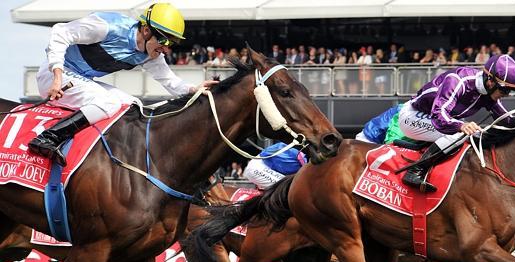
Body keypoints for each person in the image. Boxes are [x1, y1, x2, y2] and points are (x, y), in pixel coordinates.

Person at [28, 3, 219, 166]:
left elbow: (170, 81)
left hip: (79, 79)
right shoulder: (108, 26)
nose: (167, 49)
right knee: (108, 102)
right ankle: (48, 138)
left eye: (172, 43)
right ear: (146, 30)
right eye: (164, 40)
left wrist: (194, 89)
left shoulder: (151, 53)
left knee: (133, 105)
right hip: (54, 76)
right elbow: (60, 32)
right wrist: (57, 76)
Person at [397, 54, 515, 192]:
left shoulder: (488, 93)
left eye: (511, 91)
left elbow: (507, 120)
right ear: (490, 80)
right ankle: (415, 171)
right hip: (412, 116)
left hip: (436, 119)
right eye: (505, 90)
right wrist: (461, 126)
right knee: (461, 134)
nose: (506, 95)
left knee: (475, 134)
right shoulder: (458, 81)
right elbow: (438, 115)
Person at [243, 142, 308, 190]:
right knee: (285, 188)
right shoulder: (299, 159)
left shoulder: (297, 155)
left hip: (261, 164)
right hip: (257, 167)